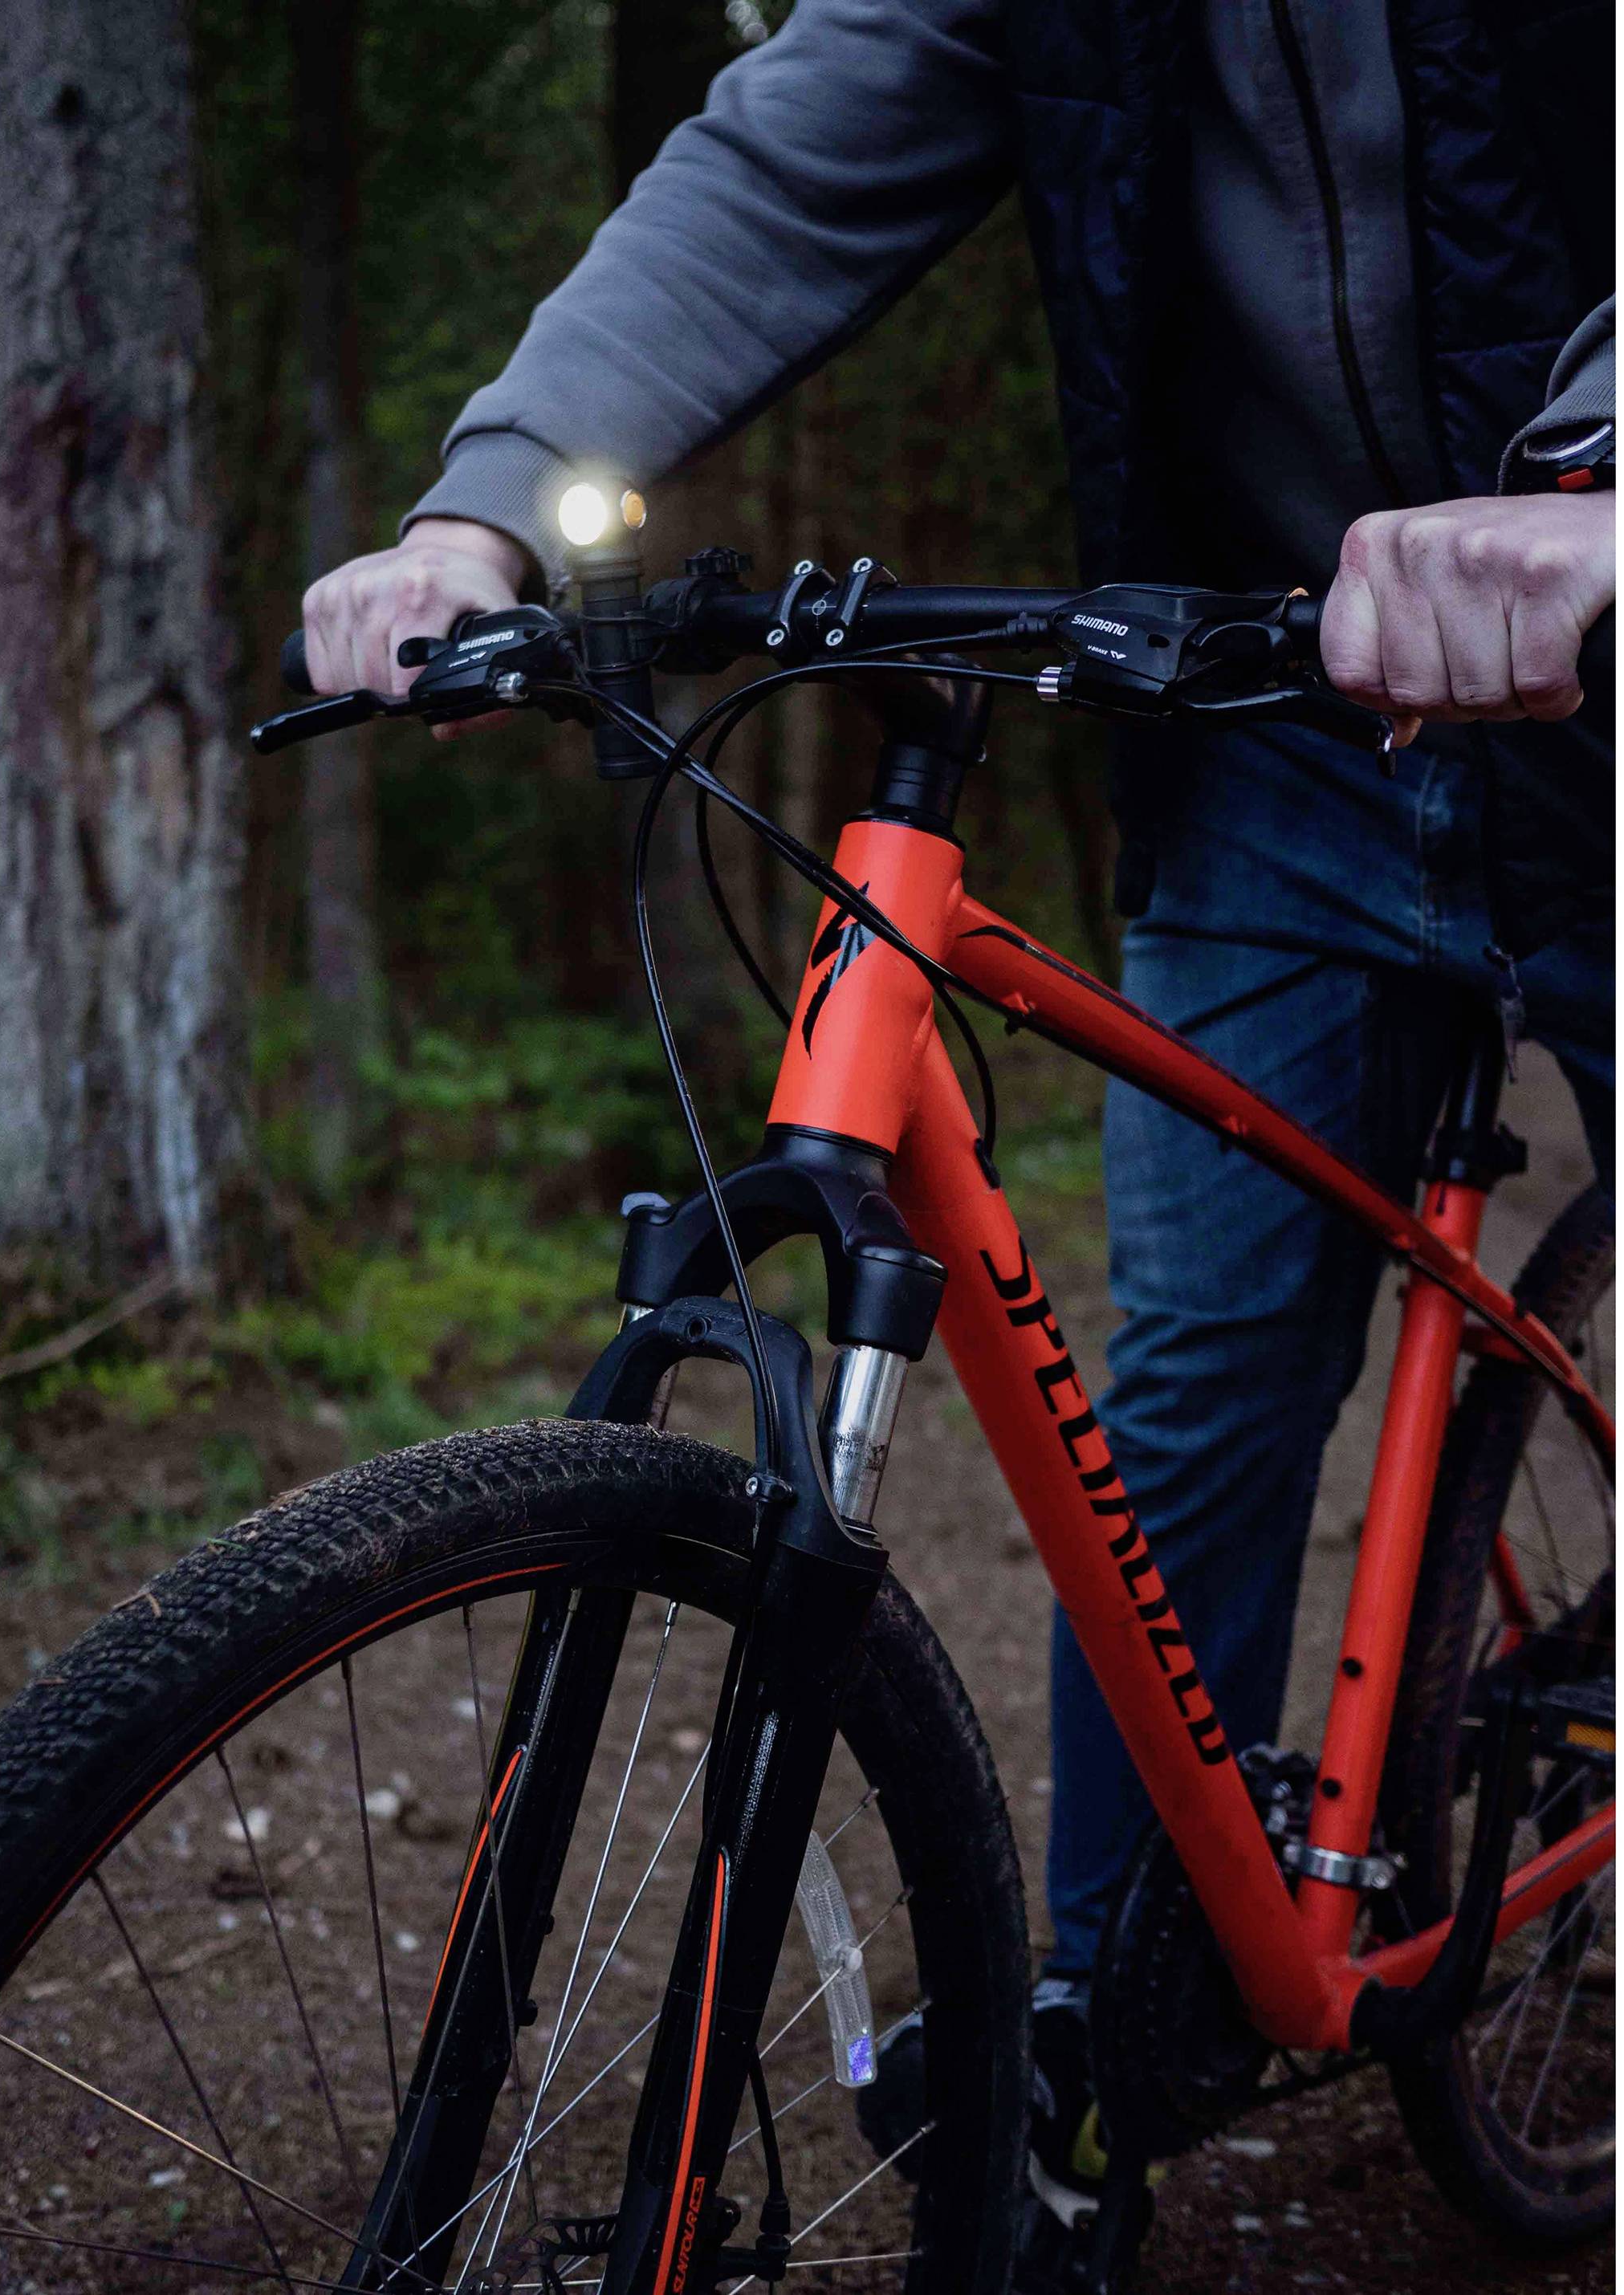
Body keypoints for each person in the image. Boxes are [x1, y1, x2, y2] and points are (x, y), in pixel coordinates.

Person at [301, 2, 1615, 2275]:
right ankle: (1095, 2054)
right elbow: (785, 154)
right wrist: (491, 498)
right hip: (1279, 715)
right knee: (1192, 1371)